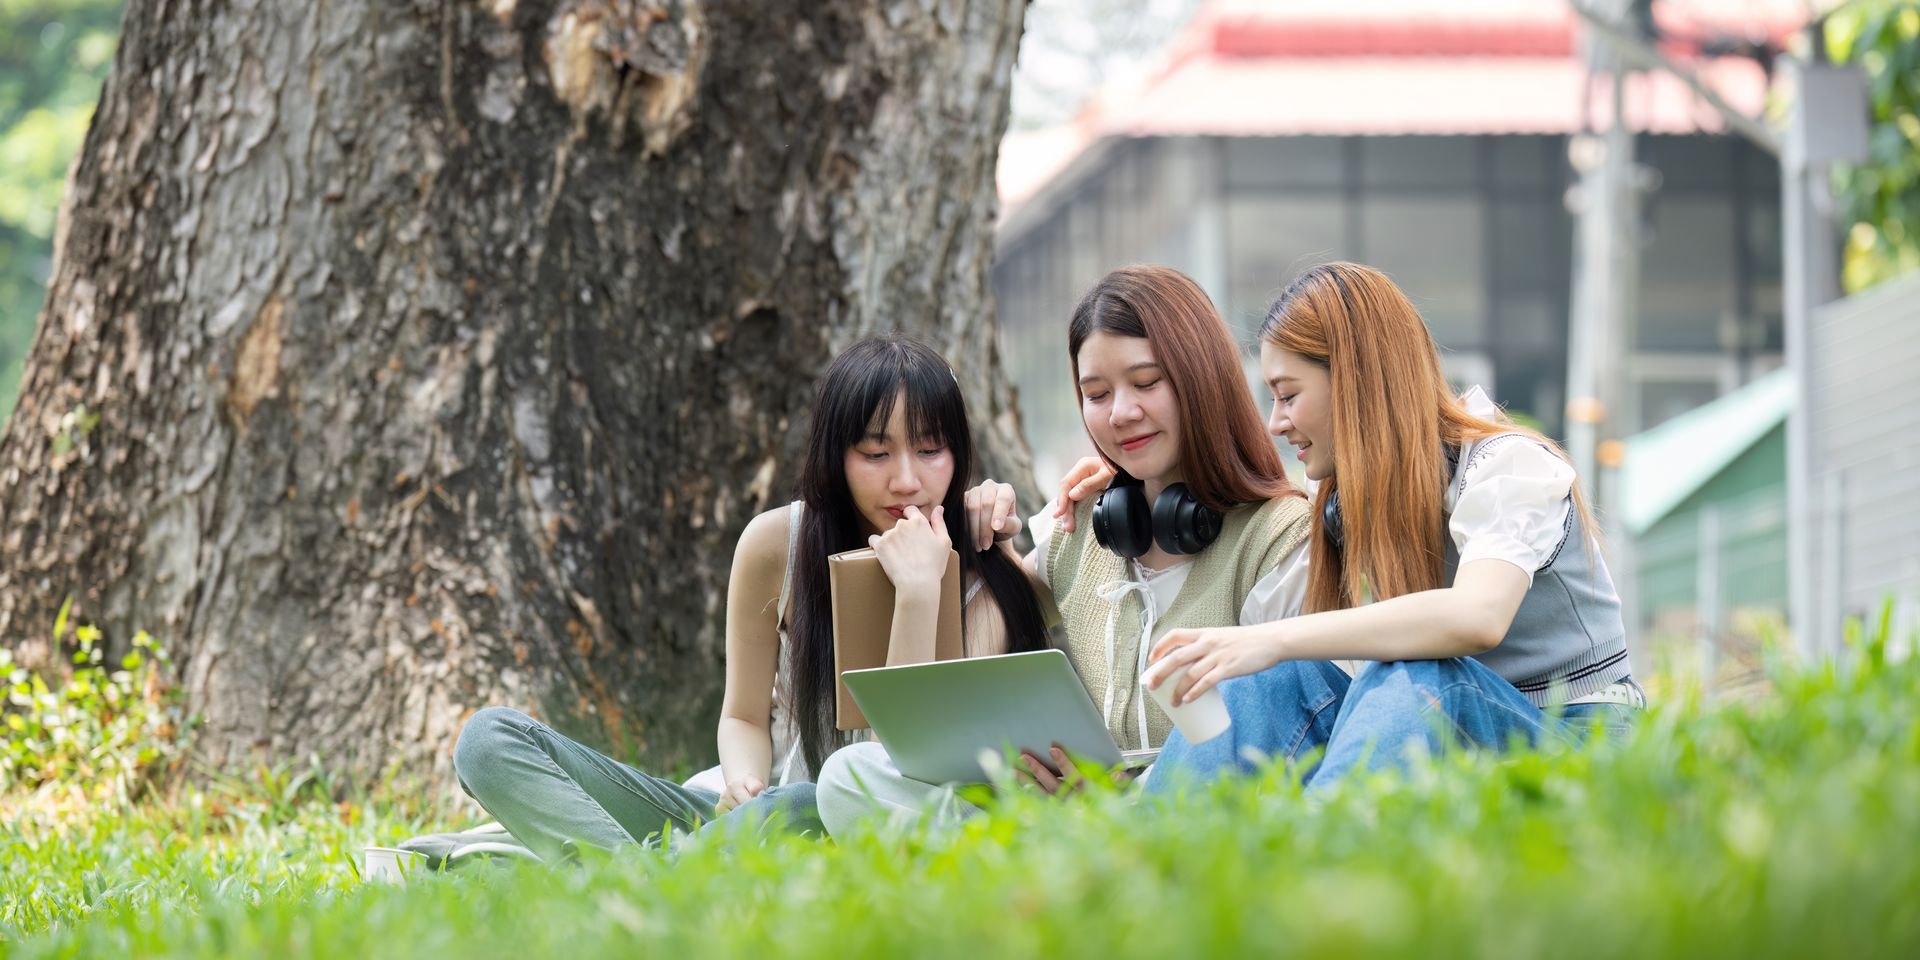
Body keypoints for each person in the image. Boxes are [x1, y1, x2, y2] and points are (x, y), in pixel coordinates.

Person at [450, 335, 1050, 860]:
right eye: (874, 453)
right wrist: (743, 779)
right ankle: (652, 881)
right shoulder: (777, 543)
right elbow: (741, 714)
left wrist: (920, 592)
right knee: (488, 741)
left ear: (958, 454)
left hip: (827, 818)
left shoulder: (988, 580)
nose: (906, 479)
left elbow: (888, 773)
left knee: (799, 805)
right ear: (835, 455)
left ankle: (633, 887)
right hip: (741, 818)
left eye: (928, 450)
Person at [815, 264, 1319, 835]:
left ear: (1202, 379)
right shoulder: (1081, 530)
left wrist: (1116, 800)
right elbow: (976, 683)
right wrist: (992, 543)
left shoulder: (1280, 533)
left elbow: (1278, 730)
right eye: (1096, 393)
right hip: (1065, 819)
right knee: (849, 775)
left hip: (1196, 813)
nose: (1120, 413)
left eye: (1147, 383)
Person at [1137, 261, 1645, 792]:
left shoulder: (1508, 466)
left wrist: (1273, 639)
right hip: (1447, 727)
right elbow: (1272, 658)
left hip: (1576, 738)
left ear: (1358, 382)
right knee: (1260, 682)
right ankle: (1152, 853)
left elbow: (1478, 617)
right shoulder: (1345, 499)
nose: (1275, 422)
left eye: (1288, 395)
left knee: (1412, 674)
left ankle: (1318, 858)